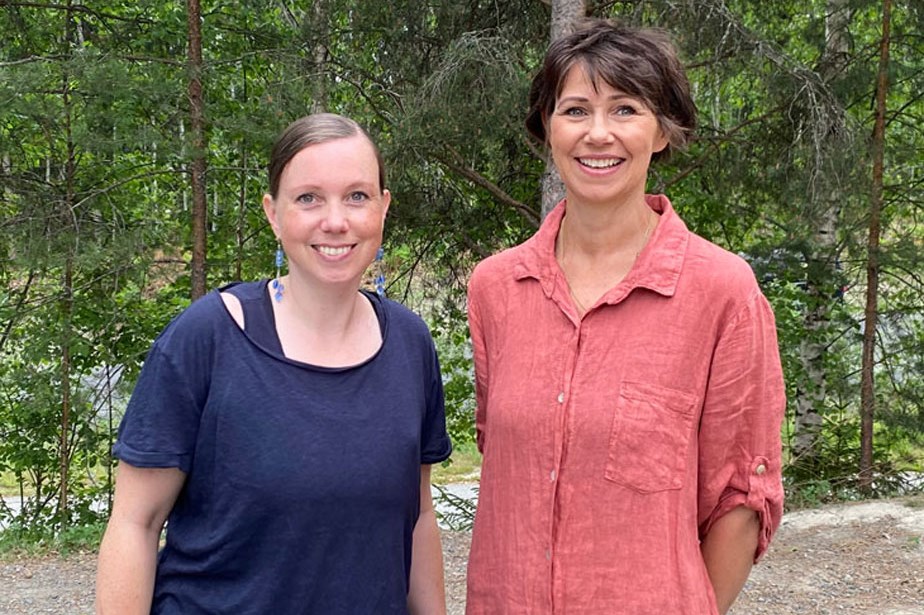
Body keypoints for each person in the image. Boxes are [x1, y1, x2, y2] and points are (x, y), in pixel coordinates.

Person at [465, 19, 785, 615]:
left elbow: (743, 500)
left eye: (626, 109)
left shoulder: (721, 291)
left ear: (663, 131)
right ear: (547, 127)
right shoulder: (496, 288)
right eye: (576, 110)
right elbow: (506, 463)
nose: (598, 133)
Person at [96, 113, 453, 615]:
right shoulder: (207, 339)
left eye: (357, 196)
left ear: (383, 208)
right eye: (308, 198)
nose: (335, 220)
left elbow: (417, 520)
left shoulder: (410, 346)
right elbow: (135, 523)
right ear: (273, 213)